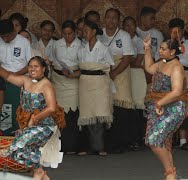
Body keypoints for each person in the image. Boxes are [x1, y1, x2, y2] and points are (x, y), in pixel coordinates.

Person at [0, 56, 65, 180]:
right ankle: (39, 172)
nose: (32, 69)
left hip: (45, 126)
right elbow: (8, 76)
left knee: (17, 146)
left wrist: (34, 119)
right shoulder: (25, 80)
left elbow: (51, 107)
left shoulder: (47, 85)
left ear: (43, 68)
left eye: (36, 66)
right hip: (31, 126)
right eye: (30, 66)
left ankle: (38, 172)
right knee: (27, 150)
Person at [144, 35, 188, 179]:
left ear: (172, 52)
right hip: (159, 106)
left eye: (163, 49)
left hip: (173, 107)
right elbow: (150, 68)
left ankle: (169, 172)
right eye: (160, 48)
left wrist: (159, 103)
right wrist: (146, 49)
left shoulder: (176, 67)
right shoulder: (162, 62)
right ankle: (172, 174)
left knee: (154, 139)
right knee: (163, 140)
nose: (160, 51)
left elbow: (176, 92)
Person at [99, 8, 135, 153]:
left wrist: (114, 73)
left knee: (121, 107)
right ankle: (107, 142)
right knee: (106, 107)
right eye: (108, 17)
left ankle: (121, 142)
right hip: (103, 71)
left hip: (121, 71)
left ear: (118, 20)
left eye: (114, 18)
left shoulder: (124, 35)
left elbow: (127, 57)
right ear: (104, 19)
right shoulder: (99, 34)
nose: (111, 21)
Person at [76, 19, 114, 156]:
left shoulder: (103, 48)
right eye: (82, 31)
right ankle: (90, 146)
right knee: (87, 114)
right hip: (85, 83)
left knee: (100, 114)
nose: (84, 33)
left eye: (86, 31)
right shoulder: (81, 50)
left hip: (100, 83)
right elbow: (81, 68)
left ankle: (102, 146)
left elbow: (109, 66)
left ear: (94, 32)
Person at [168, 18, 188, 150]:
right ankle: (168, 141)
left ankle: (183, 141)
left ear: (183, 31)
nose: (175, 35)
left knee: (185, 108)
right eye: (172, 32)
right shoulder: (166, 45)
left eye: (177, 32)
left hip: (186, 77)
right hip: (170, 77)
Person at [51, 20, 82, 154]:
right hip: (58, 80)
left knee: (73, 113)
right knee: (59, 113)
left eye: (70, 34)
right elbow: (52, 61)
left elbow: (84, 65)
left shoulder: (81, 45)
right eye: (65, 34)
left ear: (75, 32)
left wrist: (73, 73)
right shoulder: (57, 44)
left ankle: (72, 145)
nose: (67, 36)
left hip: (74, 80)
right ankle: (60, 146)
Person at [0, 19, 32, 133]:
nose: (5, 39)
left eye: (7, 36)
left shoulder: (24, 42)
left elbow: (30, 65)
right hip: (2, 83)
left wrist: (15, 75)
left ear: (13, 30)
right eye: (2, 37)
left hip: (19, 83)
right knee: (4, 114)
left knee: (18, 114)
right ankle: (5, 139)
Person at [123, 16, 146, 150]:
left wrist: (125, 60)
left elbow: (138, 62)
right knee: (126, 108)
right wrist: (127, 60)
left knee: (137, 107)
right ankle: (127, 138)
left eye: (132, 25)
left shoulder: (139, 41)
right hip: (124, 75)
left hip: (137, 76)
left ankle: (138, 138)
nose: (129, 28)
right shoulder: (122, 40)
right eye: (126, 25)